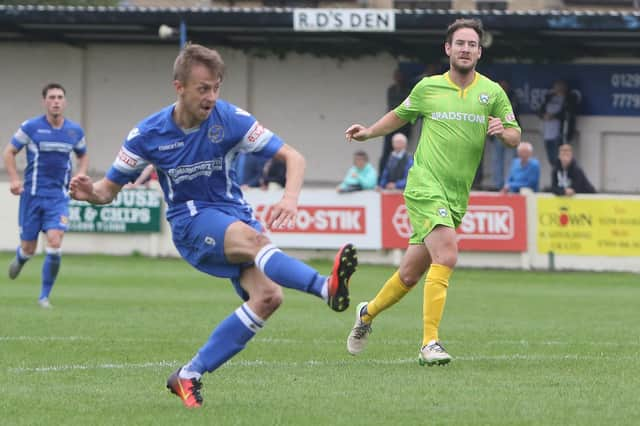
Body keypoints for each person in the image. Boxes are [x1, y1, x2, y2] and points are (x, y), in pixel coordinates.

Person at [68, 44, 357, 408]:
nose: (211, 97)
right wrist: (86, 193)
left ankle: (188, 375)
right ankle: (325, 289)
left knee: (268, 297)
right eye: (203, 88)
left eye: (216, 87)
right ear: (180, 87)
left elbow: (293, 157)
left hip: (232, 212)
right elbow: (106, 192)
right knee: (255, 240)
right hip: (190, 221)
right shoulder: (146, 134)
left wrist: (290, 197)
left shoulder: (229, 119)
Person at [344, 18, 521, 366]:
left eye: (472, 44)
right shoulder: (428, 88)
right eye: (460, 43)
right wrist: (368, 133)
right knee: (448, 255)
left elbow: (516, 136)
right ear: (448, 49)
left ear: (479, 52)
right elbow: (399, 115)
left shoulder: (492, 92)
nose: (465, 49)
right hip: (424, 185)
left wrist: (503, 131)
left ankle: (366, 313)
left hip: (457, 195)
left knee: (410, 274)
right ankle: (429, 343)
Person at [3, 82, 89, 308]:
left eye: (60, 97)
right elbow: (9, 152)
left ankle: (44, 297)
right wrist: (13, 179)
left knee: (54, 240)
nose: (56, 101)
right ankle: (22, 257)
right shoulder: (31, 127)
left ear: (65, 101)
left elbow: (83, 155)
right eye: (51, 97)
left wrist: (80, 175)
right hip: (32, 196)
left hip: (58, 198)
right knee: (29, 247)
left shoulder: (74, 131)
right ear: (44, 102)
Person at [379, 68, 412, 177]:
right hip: (391, 124)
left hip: (403, 124)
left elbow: (405, 107)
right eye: (396, 76)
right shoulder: (391, 89)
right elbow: (392, 106)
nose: (398, 78)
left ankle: (401, 180)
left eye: (400, 76)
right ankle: (381, 180)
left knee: (402, 153)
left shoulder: (408, 90)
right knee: (386, 152)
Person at [537, 79, 578, 166]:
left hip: (560, 134)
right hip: (547, 134)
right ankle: (556, 175)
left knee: (560, 159)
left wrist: (553, 116)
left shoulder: (569, 98)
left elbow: (568, 113)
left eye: (560, 86)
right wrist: (544, 115)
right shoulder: (549, 97)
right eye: (556, 86)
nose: (558, 88)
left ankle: (561, 177)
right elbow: (539, 110)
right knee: (551, 159)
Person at [490, 79, 519, 190]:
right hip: (497, 132)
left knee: (511, 160)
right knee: (497, 159)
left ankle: (509, 185)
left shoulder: (512, 97)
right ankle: (498, 185)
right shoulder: (493, 97)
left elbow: (514, 113)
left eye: (504, 86)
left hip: (509, 131)